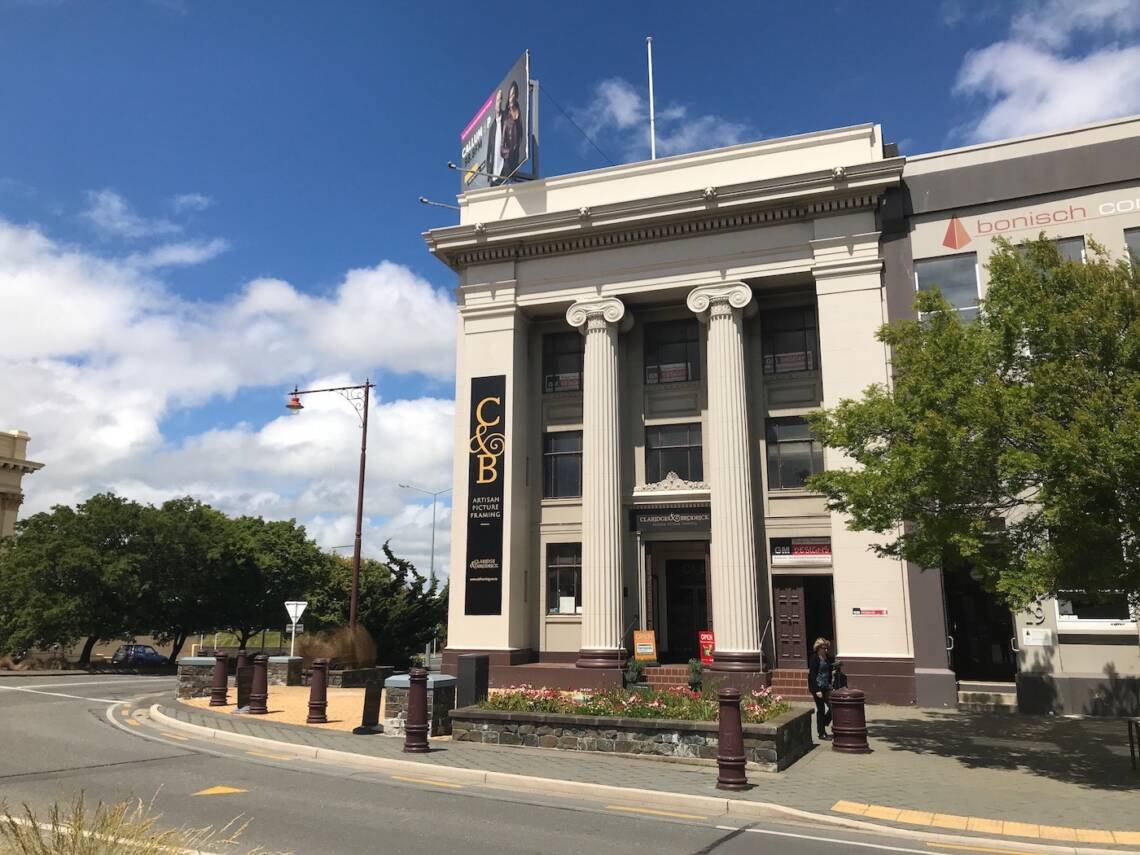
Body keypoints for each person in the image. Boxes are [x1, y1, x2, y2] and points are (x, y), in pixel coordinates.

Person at [807, 637, 834, 740]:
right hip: (817, 687)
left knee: (833, 706)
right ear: (818, 648)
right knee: (821, 709)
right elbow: (812, 675)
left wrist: (831, 684)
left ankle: (825, 721)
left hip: (826, 686)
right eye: (823, 648)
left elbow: (829, 672)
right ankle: (821, 733)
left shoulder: (827, 658)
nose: (826, 650)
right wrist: (816, 690)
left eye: (826, 648)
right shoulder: (814, 658)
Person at [499, 80, 523, 178]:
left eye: (513, 94)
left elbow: (521, 134)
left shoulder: (518, 112)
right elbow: (502, 140)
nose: (511, 97)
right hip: (507, 157)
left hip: (515, 156)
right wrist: (507, 152)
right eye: (510, 94)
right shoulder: (505, 115)